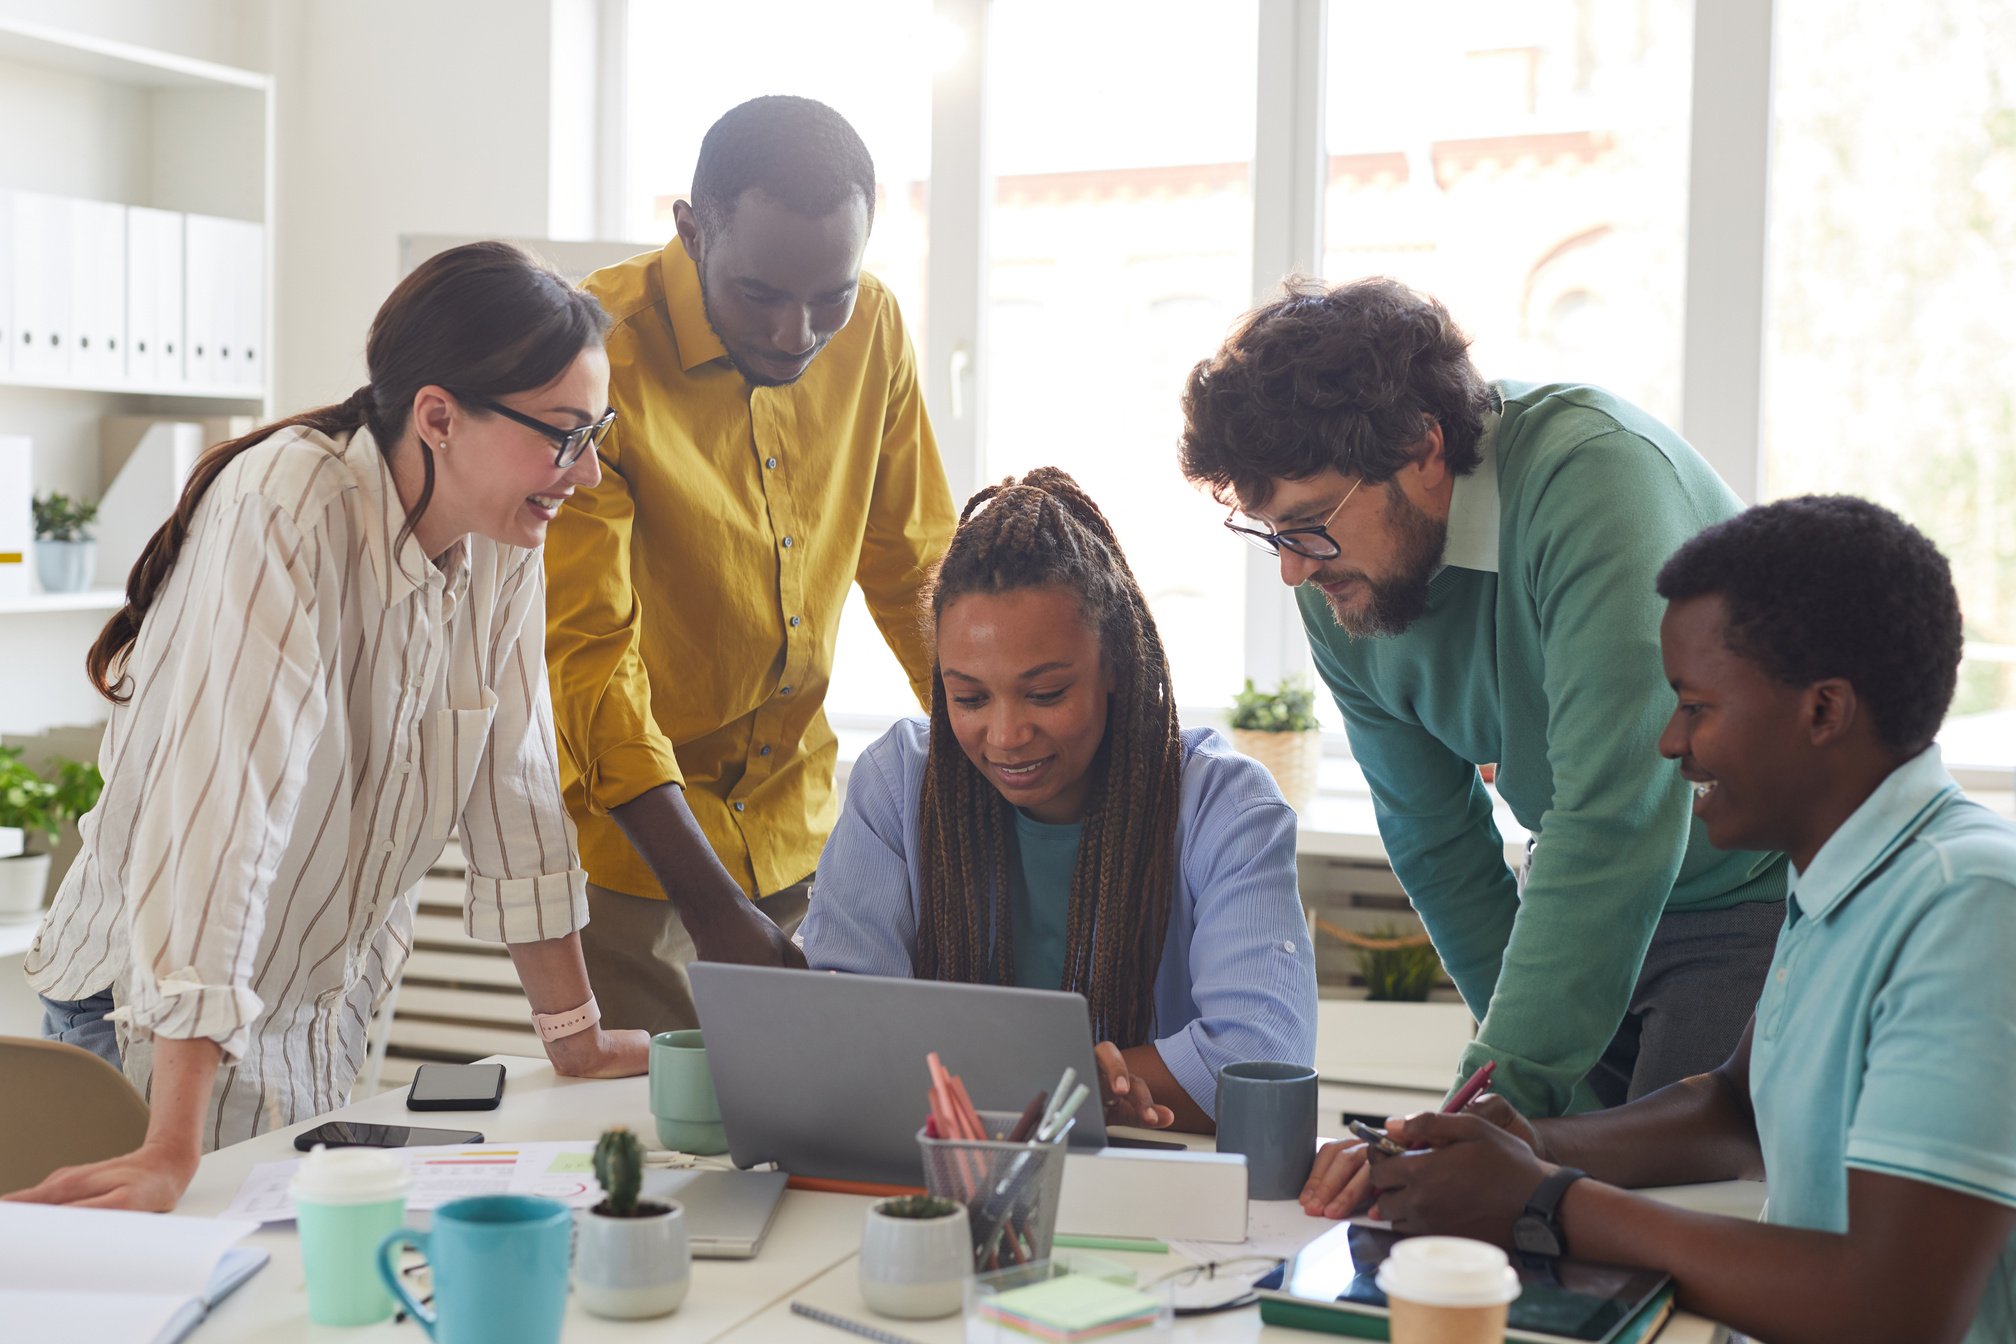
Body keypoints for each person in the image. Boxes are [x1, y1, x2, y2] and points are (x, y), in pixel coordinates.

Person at [9, 242, 648, 1213]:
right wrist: (171, 1143)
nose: (588, 471)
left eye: (594, 433)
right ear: (439, 416)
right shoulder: (289, 507)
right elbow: (223, 818)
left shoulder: (501, 533)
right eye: (564, 435)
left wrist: (576, 1037)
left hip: (313, 1009)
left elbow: (513, 787)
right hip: (155, 1014)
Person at [1310, 496, 2016, 1344]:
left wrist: (1543, 1199)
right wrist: (1529, 1143)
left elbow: (1896, 1306)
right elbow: (1732, 1112)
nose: (1670, 742)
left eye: (1695, 705)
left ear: (1824, 712)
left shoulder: (1967, 902)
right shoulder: (1847, 874)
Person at [1177, 277, 1783, 1126]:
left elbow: (1615, 815)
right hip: (1574, 898)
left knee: (1656, 1211)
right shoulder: (1334, 578)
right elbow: (1434, 840)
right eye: (1273, 533)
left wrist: (1488, 1111)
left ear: (1424, 450)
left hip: (1740, 895)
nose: (1294, 569)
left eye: (1311, 523)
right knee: (1539, 1189)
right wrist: (1508, 1106)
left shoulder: (1595, 479)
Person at [544, 95, 955, 1035]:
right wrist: (708, 902)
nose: (796, 334)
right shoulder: (591, 350)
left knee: (818, 1140)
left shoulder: (877, 327)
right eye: (760, 295)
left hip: (807, 837)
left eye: (830, 297)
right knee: (658, 1157)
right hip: (640, 859)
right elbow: (590, 656)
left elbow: (915, 571)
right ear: (692, 230)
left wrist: (1003, 758)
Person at [798, 468, 1316, 1132]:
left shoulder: (1226, 809)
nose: (1007, 735)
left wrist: (1034, 1085)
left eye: (1045, 694)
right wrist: (1088, 1083)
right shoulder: (899, 785)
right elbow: (839, 1035)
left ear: (1116, 671)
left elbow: (1260, 1064)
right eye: (969, 697)